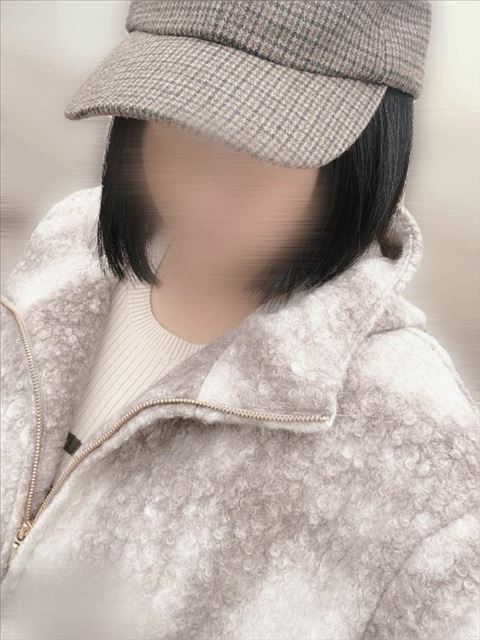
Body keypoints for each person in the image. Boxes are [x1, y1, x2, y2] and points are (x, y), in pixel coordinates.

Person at [1, 1, 478, 639]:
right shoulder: (65, 253)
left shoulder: (420, 457)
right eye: (177, 127)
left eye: (260, 149)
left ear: (367, 148)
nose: (200, 194)